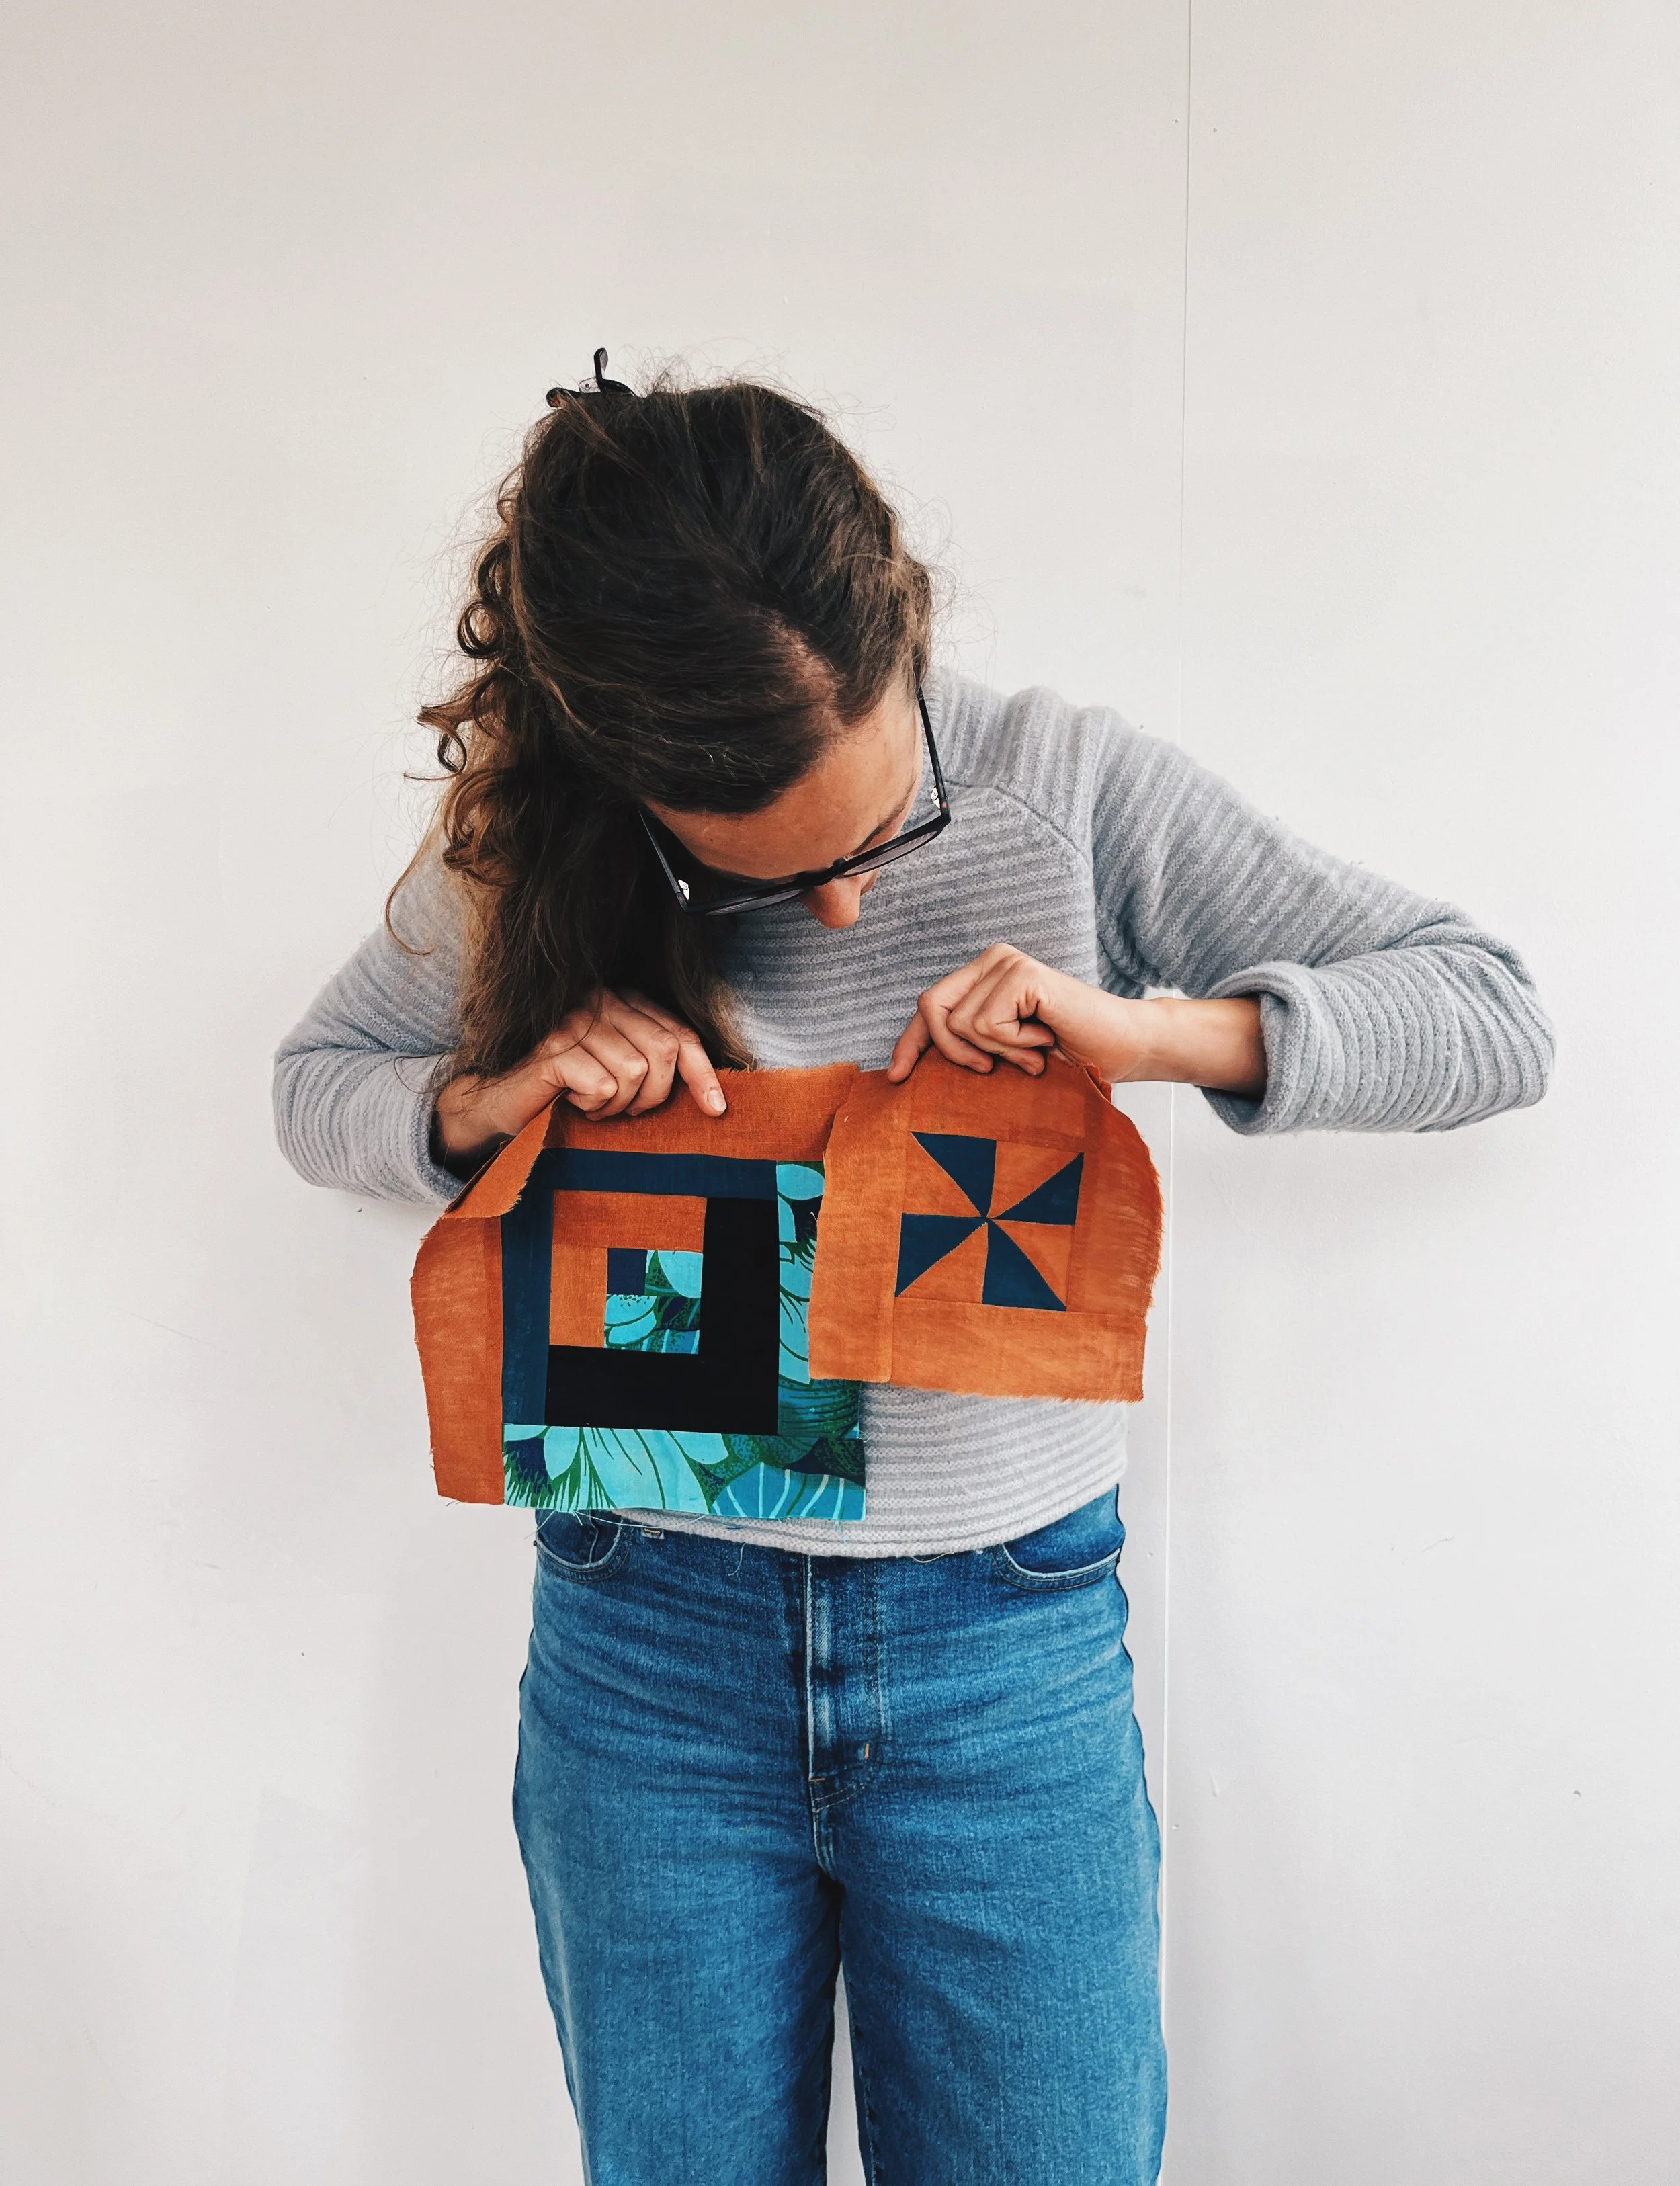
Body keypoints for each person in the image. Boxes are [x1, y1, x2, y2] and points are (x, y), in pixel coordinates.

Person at [274, 357, 1552, 2185]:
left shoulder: (1067, 785)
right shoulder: (534, 843)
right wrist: (487, 1097)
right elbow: (315, 1088)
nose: (855, 910)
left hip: (1002, 1645)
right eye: (772, 881)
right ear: (631, 778)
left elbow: (1487, 1010)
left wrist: (1151, 1032)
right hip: (649, 1642)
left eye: (886, 831)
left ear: (904, 628)